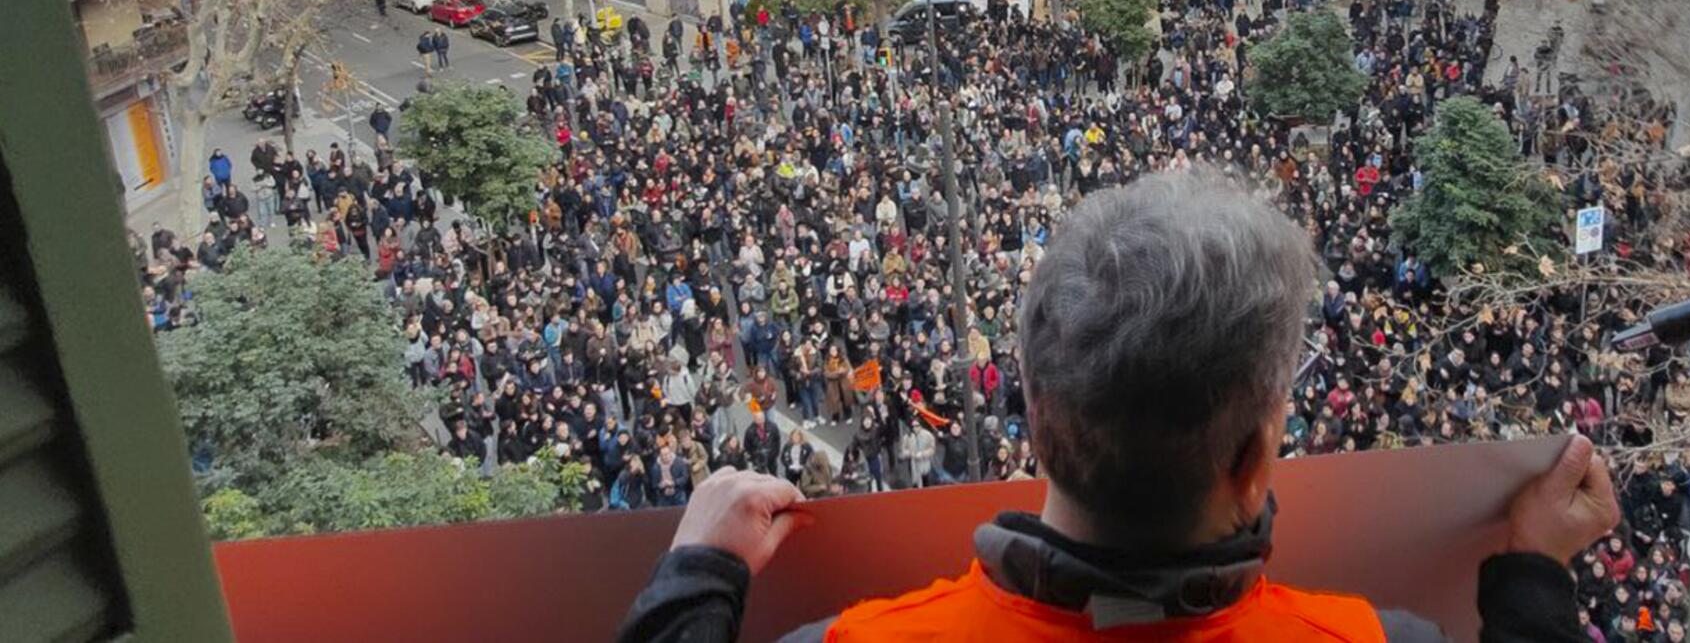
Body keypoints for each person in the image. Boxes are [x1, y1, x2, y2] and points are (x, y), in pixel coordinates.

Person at [616, 174, 1618, 642]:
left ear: (1034, 413)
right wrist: (1530, 577)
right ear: (1258, 454)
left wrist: (697, 576)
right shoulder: (1375, 640)